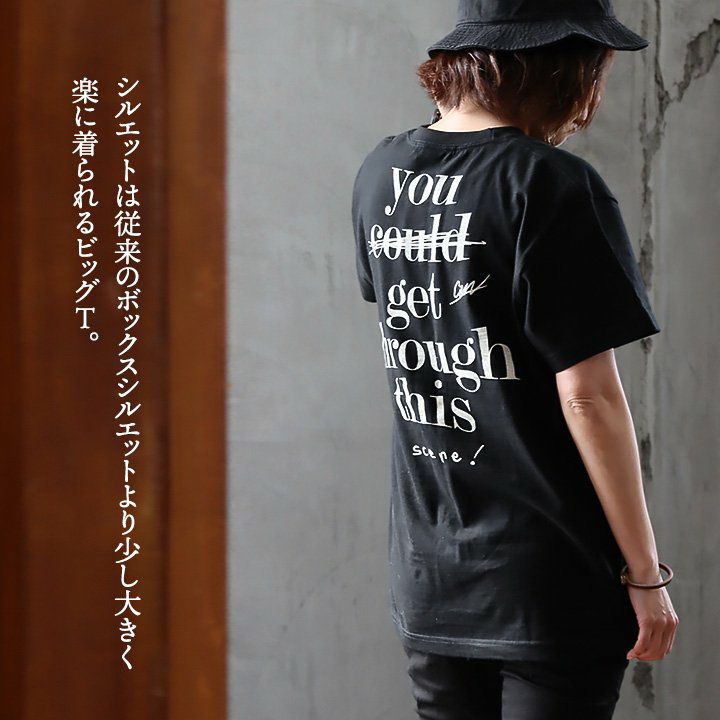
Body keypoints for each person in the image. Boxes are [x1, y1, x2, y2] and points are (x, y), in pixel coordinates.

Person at [350, 1, 679, 718]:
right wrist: (646, 575)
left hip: (430, 574)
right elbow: (588, 396)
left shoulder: (381, 173)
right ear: (563, 65)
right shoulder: (550, 183)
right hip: (548, 578)